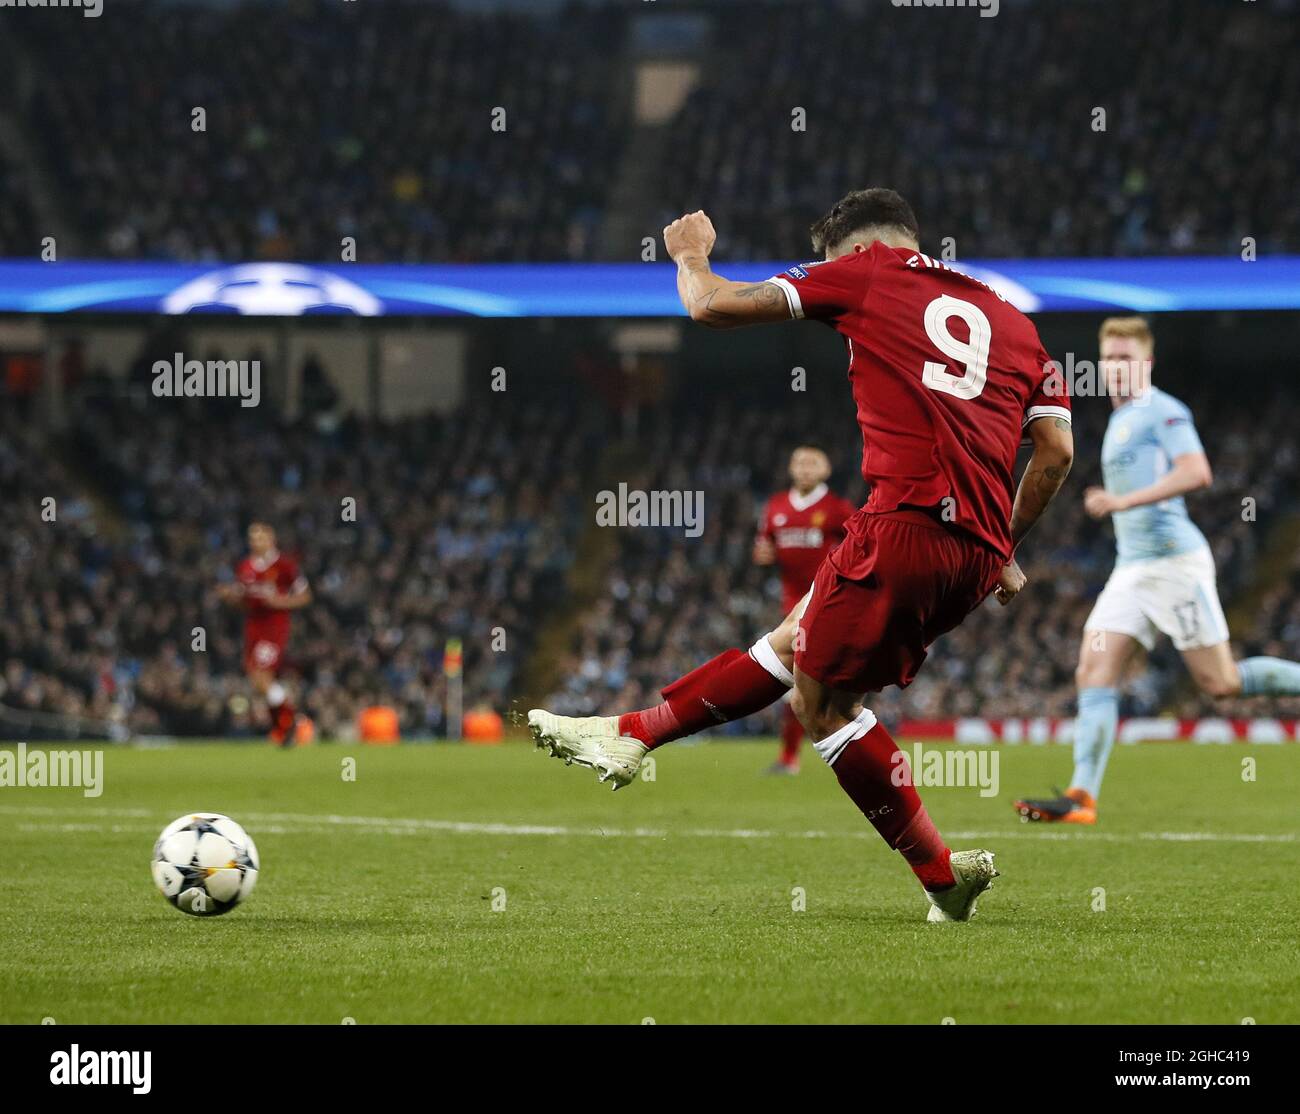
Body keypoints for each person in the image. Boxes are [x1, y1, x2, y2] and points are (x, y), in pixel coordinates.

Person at [529, 188, 1074, 922]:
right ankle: (631, 735)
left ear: (856, 248)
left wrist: (690, 254)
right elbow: (1057, 454)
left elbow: (711, 306)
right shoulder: (1016, 321)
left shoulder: (869, 271)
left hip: (903, 523)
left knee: (821, 704)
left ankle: (943, 878)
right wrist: (1002, 543)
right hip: (974, 557)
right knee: (793, 639)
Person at [1014, 317, 1300, 824]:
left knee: (1221, 683)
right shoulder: (1120, 419)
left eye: (1126, 359)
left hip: (1174, 566)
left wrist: (1123, 500)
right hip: (1132, 570)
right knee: (1093, 669)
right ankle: (1082, 796)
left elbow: (1197, 471)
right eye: (1108, 360)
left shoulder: (1162, 411)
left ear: (1146, 362)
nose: (1115, 369)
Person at [753, 444, 854, 774]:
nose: (806, 468)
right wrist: (764, 556)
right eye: (800, 462)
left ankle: (795, 755)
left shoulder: (837, 508)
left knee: (806, 679)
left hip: (826, 601)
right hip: (790, 605)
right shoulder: (776, 506)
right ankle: (797, 755)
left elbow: (861, 543)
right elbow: (765, 546)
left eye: (813, 463)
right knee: (802, 679)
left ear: (825, 470)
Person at [217, 522, 311, 746]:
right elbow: (244, 603)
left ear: (271, 539)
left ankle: (289, 720)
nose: (255, 542)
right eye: (252, 538)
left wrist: (281, 601)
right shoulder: (245, 566)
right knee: (257, 678)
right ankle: (283, 727)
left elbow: (305, 596)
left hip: (274, 626)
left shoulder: (285, 566)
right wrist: (230, 597)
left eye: (259, 537)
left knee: (261, 675)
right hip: (253, 626)